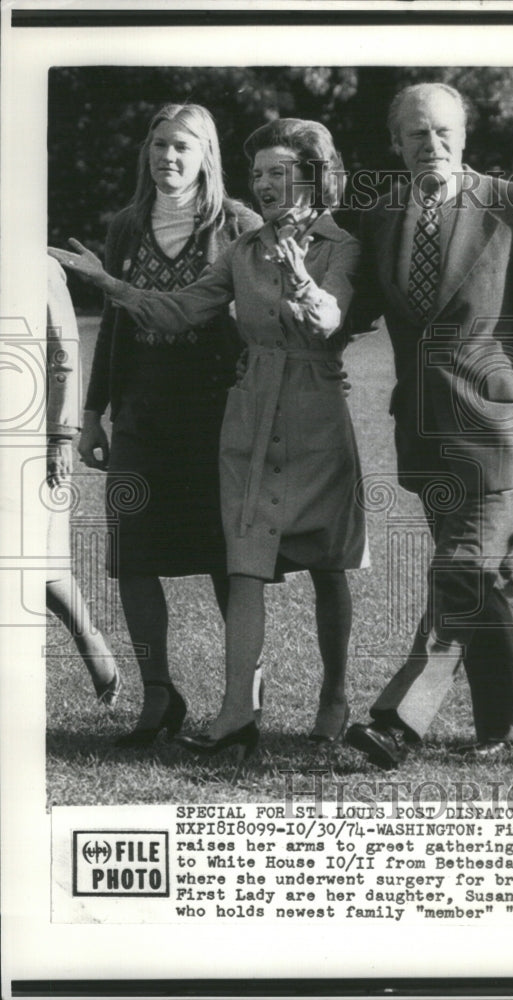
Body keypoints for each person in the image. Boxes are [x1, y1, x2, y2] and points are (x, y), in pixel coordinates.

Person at [51, 118, 365, 769]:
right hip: (248, 415)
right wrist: (107, 283)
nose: (270, 184)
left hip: (314, 416)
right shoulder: (244, 252)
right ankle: (237, 716)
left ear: (311, 176)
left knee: (328, 564)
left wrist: (303, 274)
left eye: (283, 173)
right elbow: (178, 308)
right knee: (244, 564)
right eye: (262, 175)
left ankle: (334, 696)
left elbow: (328, 319)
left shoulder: (339, 245)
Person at [344, 82, 513, 769]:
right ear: (397, 143)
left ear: (465, 135)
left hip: (497, 429)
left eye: (444, 131)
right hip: (421, 431)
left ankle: (397, 723)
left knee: (458, 570)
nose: (432, 145)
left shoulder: (512, 204)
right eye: (417, 134)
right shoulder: (382, 214)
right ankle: (511, 727)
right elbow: (351, 310)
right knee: (477, 584)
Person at [73, 103, 261, 747]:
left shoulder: (238, 223)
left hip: (219, 412)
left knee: (226, 560)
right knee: (133, 555)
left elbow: (266, 319)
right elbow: (117, 326)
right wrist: (92, 413)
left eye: (182, 146)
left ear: (206, 153)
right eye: (158, 146)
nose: (168, 158)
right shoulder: (125, 227)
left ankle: (243, 700)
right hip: (142, 415)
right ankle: (159, 694)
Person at [46, 256, 121, 709]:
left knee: (39, 562)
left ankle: (93, 647)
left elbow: (64, 349)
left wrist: (59, 434)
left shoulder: (38, 267)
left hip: (29, 434)